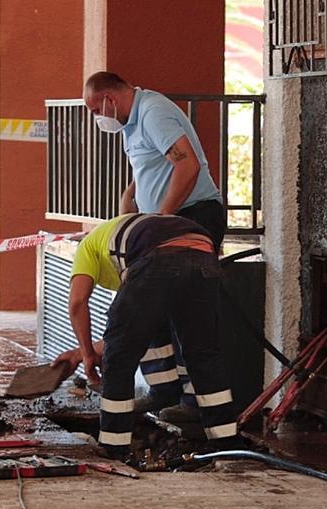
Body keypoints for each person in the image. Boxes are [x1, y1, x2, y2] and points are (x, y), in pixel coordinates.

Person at [83, 71, 227, 421]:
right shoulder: (134, 123)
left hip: (191, 220)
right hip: (166, 224)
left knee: (187, 317)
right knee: (154, 313)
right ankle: (164, 391)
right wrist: (132, 196)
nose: (97, 117)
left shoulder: (152, 112)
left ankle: (196, 407)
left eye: (95, 109)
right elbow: (153, 161)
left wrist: (162, 218)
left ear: (109, 100)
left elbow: (187, 164)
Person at [52, 214, 240, 458]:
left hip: (159, 254)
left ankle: (113, 446)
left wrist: (87, 354)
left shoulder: (87, 247)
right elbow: (136, 328)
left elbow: (77, 302)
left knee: (118, 361)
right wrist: (81, 353)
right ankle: (226, 444)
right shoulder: (128, 239)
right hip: (204, 251)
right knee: (203, 355)